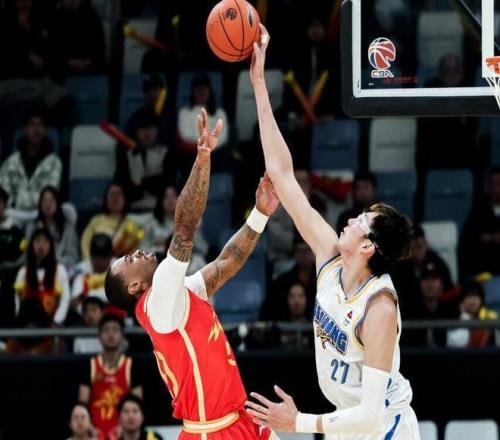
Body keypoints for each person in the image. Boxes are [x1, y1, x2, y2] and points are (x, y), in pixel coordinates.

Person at [245, 26, 419, 438]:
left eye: (361, 221)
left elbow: (370, 415)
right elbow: (283, 176)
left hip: (384, 428)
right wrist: (258, 83)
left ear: (368, 247)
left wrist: (298, 422)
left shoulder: (379, 308)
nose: (350, 219)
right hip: (347, 420)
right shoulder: (330, 256)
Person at [104, 109, 278, 439]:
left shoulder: (173, 297)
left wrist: (260, 213)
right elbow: (184, 229)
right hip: (211, 433)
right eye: (129, 259)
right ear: (135, 286)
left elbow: (225, 264)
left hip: (238, 420)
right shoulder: (157, 302)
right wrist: (203, 158)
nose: (137, 252)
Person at [78, 314, 143, 440]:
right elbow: (82, 405)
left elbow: (137, 405)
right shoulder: (90, 365)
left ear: (122, 336)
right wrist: (90, 428)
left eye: (115, 330)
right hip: (94, 433)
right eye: (106, 330)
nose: (110, 334)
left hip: (124, 433)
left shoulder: (131, 366)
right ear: (99, 337)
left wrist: (124, 430)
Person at [0, 113, 62, 210]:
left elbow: (50, 196)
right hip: (14, 215)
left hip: (43, 214)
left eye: (40, 124)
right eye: (32, 124)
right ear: (25, 130)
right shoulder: (10, 163)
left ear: (45, 131)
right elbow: (4, 196)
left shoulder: (55, 163)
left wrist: (19, 201)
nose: (36, 129)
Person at [115, 107, 172, 210]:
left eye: (151, 128)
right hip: (133, 210)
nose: (147, 132)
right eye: (142, 128)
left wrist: (141, 184)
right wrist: (150, 182)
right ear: (136, 132)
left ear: (157, 130)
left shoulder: (166, 153)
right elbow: (122, 186)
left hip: (160, 210)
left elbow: (167, 184)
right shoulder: (127, 155)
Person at [14, 227, 70, 326]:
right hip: (27, 323)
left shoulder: (60, 270)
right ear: (32, 246)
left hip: (51, 322)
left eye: (45, 242)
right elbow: (17, 299)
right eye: (38, 242)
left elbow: (65, 298)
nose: (41, 246)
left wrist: (56, 321)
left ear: (51, 246)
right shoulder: (23, 271)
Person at [80, 182, 142, 259]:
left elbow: (135, 250)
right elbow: (85, 244)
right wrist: (91, 262)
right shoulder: (96, 220)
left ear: (125, 198)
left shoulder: (132, 224)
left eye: (118, 194)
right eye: (112, 194)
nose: (115, 198)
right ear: (106, 199)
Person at [262, 237, 316, 321]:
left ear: (314, 253)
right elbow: (269, 311)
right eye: (300, 251)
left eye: (307, 250)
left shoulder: (323, 280)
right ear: (295, 254)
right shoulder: (281, 282)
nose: (304, 255)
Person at [26, 185, 79, 269]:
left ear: (58, 203)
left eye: (51, 201)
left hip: (60, 270)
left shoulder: (68, 229)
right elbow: (27, 256)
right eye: (44, 201)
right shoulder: (32, 227)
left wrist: (53, 260)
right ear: (40, 204)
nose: (48, 205)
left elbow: (73, 260)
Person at [48, 0, 105, 79]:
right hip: (64, 67)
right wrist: (70, 62)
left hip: (91, 66)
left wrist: (88, 62)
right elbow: (53, 48)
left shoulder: (91, 14)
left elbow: (100, 45)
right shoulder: (56, 17)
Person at [460, 167, 500, 277]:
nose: (497, 188)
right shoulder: (479, 209)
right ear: (488, 187)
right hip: (484, 267)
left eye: (499, 183)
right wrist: (491, 238)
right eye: (493, 184)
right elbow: (469, 237)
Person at [447, 281, 499, 348]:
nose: (472, 301)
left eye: (475, 296)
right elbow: (456, 346)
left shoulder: (490, 318)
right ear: (461, 301)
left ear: (481, 299)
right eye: (468, 297)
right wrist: (464, 316)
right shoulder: (453, 319)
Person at [72, 233, 113, 315]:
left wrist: (88, 294)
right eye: (96, 257)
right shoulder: (81, 271)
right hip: (86, 317)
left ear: (110, 256)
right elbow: (75, 303)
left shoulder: (118, 269)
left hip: (113, 316)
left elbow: (118, 297)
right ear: (91, 256)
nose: (100, 261)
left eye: (103, 257)